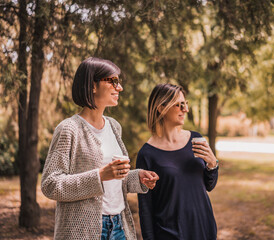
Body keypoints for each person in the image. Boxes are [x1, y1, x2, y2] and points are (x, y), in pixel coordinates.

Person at [41, 57, 159, 240]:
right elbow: (51, 185)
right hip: (84, 231)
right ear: (92, 86)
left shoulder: (114, 126)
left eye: (118, 82)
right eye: (113, 81)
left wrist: (138, 177)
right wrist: (100, 175)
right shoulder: (68, 129)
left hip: (119, 226)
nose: (119, 88)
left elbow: (115, 180)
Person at [136, 83, 219, 240]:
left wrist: (212, 164)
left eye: (185, 104)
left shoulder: (196, 139)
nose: (185, 109)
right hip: (169, 233)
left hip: (203, 228)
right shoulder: (147, 154)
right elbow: (145, 209)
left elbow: (209, 185)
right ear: (161, 107)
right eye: (179, 105)